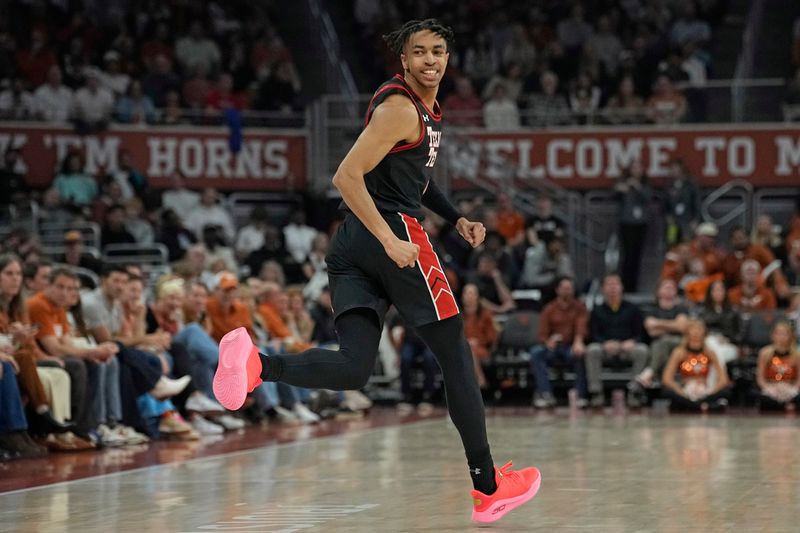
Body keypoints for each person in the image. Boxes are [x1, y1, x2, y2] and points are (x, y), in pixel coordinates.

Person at [211, 19, 540, 523]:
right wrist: (391, 240)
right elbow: (346, 175)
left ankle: (259, 367)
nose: (431, 60)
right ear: (403, 61)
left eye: (439, 52)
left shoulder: (420, 109)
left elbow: (416, 180)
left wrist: (458, 219)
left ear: (447, 60)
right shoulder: (399, 108)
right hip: (389, 234)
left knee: (355, 366)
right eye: (420, 53)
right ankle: (489, 486)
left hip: (351, 246)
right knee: (454, 351)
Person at [585, 273, 649, 407]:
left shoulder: (633, 309)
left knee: (642, 350)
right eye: (609, 284)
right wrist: (604, 343)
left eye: (616, 284)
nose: (613, 287)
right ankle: (596, 393)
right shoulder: (597, 310)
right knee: (592, 350)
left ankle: (635, 392)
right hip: (606, 349)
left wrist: (632, 342)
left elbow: (641, 333)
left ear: (621, 287)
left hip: (627, 348)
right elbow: (592, 334)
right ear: (603, 288)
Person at [530, 276, 588, 408]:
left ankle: (580, 395)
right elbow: (541, 334)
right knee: (536, 352)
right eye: (564, 288)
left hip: (571, 346)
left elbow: (581, 327)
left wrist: (578, 341)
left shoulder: (580, 308)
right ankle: (545, 393)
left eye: (570, 288)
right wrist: (548, 341)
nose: (567, 291)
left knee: (581, 354)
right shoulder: (549, 309)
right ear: (557, 290)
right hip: (553, 347)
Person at [661, 319, 731, 412]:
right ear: (687, 333)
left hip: (705, 390)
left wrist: (711, 392)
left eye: (699, 329)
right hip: (686, 390)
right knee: (666, 392)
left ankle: (693, 405)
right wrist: (679, 391)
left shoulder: (710, 353)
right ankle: (702, 406)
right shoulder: (679, 352)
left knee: (726, 392)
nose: (696, 333)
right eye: (693, 329)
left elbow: (723, 379)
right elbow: (667, 378)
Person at [615, 161, 651, 291]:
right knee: (626, 255)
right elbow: (614, 195)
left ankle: (634, 285)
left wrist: (637, 186)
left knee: (636, 255)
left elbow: (648, 198)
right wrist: (622, 188)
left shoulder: (645, 184)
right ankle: (624, 284)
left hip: (640, 223)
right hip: (626, 222)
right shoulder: (624, 182)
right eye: (634, 168)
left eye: (638, 168)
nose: (636, 171)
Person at [755, 320, 800, 411]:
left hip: (789, 387)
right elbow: (760, 378)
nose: (781, 337)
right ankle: (785, 406)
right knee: (764, 399)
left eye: (785, 334)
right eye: (778, 334)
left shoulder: (797, 355)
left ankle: (787, 405)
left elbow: (799, 379)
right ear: (773, 335)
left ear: (791, 336)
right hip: (772, 387)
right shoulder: (765, 353)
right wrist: (769, 388)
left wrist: (792, 389)